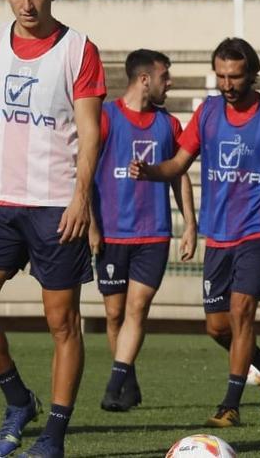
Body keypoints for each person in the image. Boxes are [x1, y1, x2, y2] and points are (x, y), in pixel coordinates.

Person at [130, 37, 260, 427]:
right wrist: (151, 171)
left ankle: (230, 406)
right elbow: (177, 163)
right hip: (219, 230)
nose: (227, 84)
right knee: (217, 326)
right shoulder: (208, 113)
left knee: (242, 311)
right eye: (221, 76)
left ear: (253, 74)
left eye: (235, 76)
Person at [0, 0, 105, 457]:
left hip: (55, 204)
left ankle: (53, 435)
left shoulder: (79, 50)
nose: (27, 4)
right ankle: (19, 400)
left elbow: (89, 130)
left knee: (62, 324)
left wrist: (81, 198)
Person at [91, 50, 197, 412]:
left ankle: (113, 386)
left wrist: (190, 225)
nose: (170, 83)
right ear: (144, 79)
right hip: (111, 233)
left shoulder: (169, 125)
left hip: (153, 234)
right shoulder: (105, 118)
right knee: (114, 314)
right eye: (165, 76)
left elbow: (178, 174)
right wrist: (91, 224)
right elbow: (84, 173)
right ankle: (129, 380)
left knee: (137, 308)